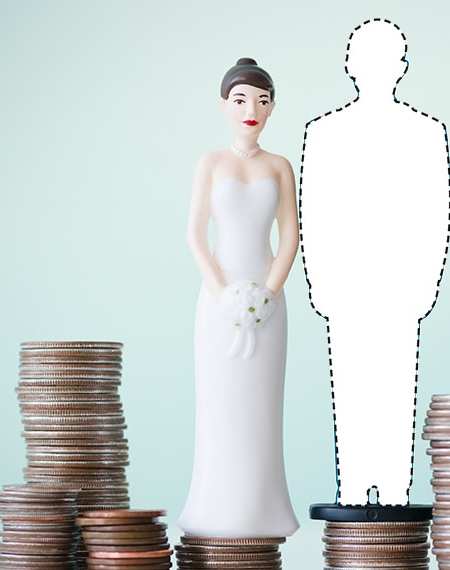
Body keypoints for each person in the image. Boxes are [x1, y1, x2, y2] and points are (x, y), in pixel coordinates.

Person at [300, 19, 450, 506]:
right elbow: (313, 211)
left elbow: (436, 211)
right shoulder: (323, 133)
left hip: (401, 285)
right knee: (350, 386)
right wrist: (319, 283)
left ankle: (393, 490)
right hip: (345, 285)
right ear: (350, 66)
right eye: (366, 59)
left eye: (387, 60)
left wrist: (425, 284)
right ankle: (352, 486)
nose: (376, 70)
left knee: (394, 389)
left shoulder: (427, 132)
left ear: (402, 68)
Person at [178, 57, 300, 538]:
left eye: (263, 101)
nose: (252, 109)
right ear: (224, 105)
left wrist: (267, 295)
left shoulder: (280, 166)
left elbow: (290, 238)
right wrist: (225, 296)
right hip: (217, 301)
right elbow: (195, 236)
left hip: (269, 304)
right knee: (220, 407)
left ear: (272, 109)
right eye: (242, 100)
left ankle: (263, 512)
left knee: (260, 409)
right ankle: (212, 513)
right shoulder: (210, 163)